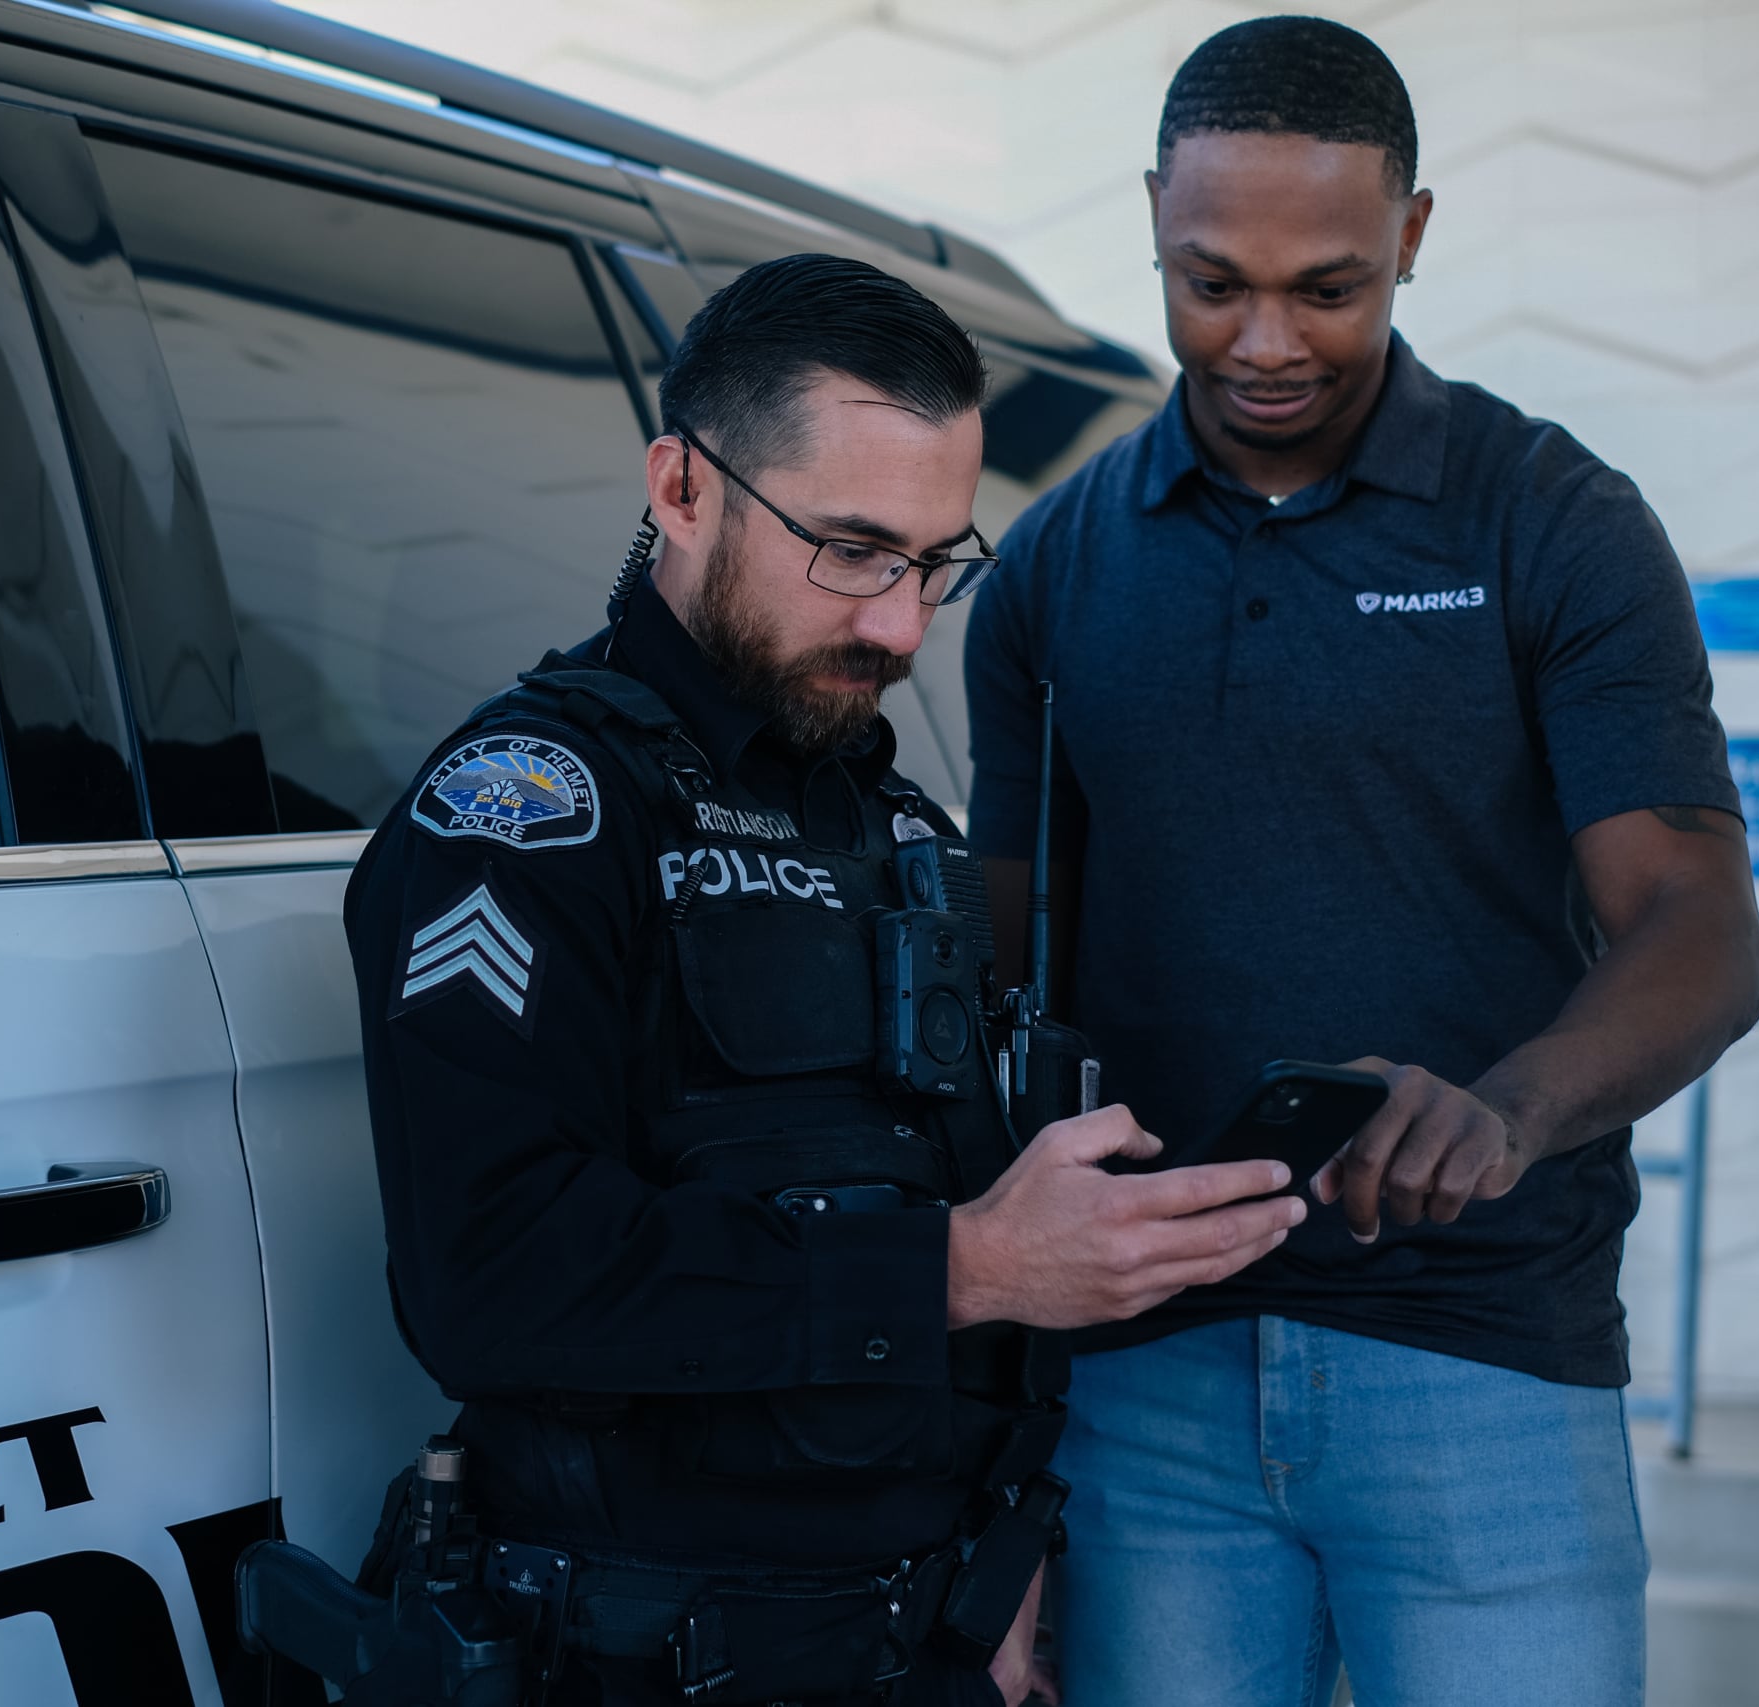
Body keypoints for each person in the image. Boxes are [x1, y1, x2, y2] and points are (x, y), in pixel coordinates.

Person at [344, 253, 1309, 1707]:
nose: (903, 627)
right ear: (682, 488)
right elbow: (490, 1280)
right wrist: (969, 1266)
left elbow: (940, 1203)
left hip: (924, 1636)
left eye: (935, 563)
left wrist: (1000, 1554)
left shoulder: (890, 821)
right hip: (648, 1652)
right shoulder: (530, 811)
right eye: (852, 551)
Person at [963, 18, 1759, 1707]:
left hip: (1485, 1365)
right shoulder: (1050, 570)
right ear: (1154, 221)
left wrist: (1509, 1111)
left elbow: (1697, 924)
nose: (1265, 342)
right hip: (1146, 1383)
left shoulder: (1555, 521)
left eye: (1329, 288)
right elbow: (1001, 994)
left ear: (1411, 234)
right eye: (1211, 284)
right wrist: (987, 1446)